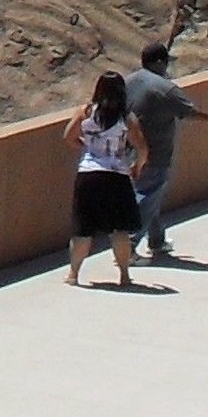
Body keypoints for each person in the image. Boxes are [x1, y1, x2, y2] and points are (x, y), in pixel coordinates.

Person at [123, 42, 208, 262]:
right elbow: (189, 112)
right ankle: (128, 246)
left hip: (129, 150)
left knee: (152, 196)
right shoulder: (165, 88)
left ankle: (156, 242)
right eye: (164, 63)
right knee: (147, 196)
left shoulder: (128, 82)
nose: (166, 68)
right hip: (155, 154)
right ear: (158, 62)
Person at [65, 71, 145, 287]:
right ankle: (125, 276)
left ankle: (73, 274)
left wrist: (88, 147)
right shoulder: (126, 118)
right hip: (116, 175)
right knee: (119, 229)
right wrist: (137, 165)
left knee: (83, 229)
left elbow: (69, 136)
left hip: (88, 173)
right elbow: (142, 147)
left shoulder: (85, 112)